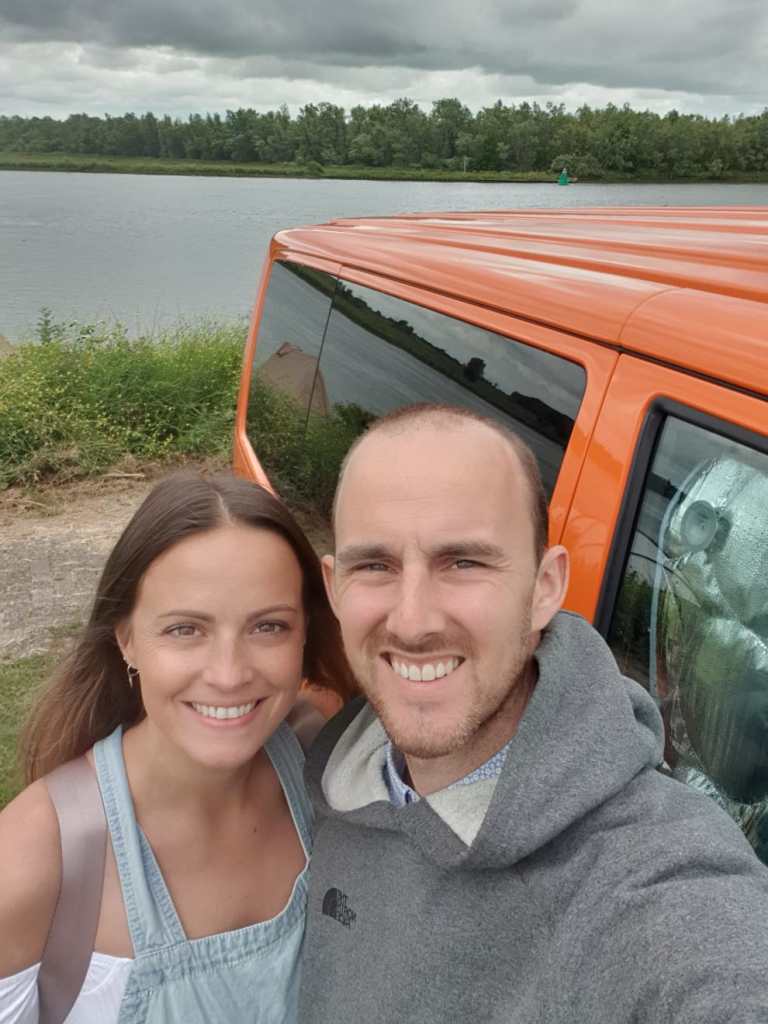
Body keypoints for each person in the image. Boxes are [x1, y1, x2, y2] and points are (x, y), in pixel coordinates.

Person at [299, 403, 768, 1024]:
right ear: (335, 587)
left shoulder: (646, 872)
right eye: (375, 566)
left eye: (464, 562)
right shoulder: (323, 783)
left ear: (546, 587)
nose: (411, 621)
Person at [0, 472, 354, 1024]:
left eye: (268, 627)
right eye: (185, 629)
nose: (229, 674)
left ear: (306, 632)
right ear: (126, 638)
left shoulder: (327, 764)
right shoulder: (31, 861)